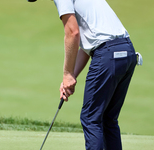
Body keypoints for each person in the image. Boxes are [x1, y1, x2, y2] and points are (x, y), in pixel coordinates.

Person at [53, 0, 138, 149]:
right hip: (127, 52)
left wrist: (67, 74)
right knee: (108, 119)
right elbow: (87, 47)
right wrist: (71, 75)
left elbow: (73, 33)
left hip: (107, 54)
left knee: (90, 118)